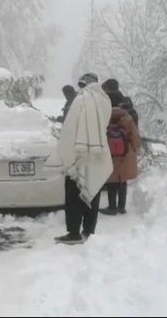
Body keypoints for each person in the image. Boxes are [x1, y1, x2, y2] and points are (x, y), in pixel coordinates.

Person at [46, 73, 114, 245]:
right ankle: (89, 231)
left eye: (82, 84)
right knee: (93, 191)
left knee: (74, 194)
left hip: (78, 154)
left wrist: (65, 151)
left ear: (85, 84)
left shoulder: (81, 99)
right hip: (99, 153)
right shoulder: (105, 100)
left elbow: (70, 129)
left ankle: (74, 233)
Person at [99, 90, 142, 216]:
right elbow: (135, 138)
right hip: (126, 153)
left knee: (112, 180)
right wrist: (135, 148)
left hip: (109, 153)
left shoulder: (104, 116)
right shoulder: (127, 117)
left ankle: (112, 207)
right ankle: (121, 207)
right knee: (122, 180)